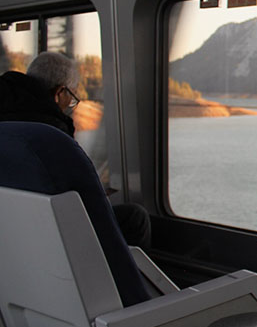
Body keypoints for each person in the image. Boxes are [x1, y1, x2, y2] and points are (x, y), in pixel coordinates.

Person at [0, 52, 150, 248]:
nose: (70, 106)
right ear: (59, 93)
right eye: (71, 98)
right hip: (51, 233)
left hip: (12, 228)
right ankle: (125, 278)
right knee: (135, 218)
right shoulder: (52, 134)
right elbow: (82, 198)